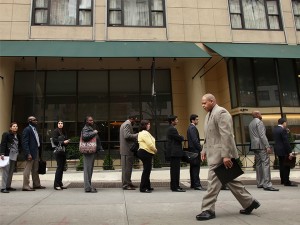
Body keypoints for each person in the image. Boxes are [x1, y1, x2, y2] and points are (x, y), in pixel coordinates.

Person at [196, 94, 260, 221]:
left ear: (212, 101)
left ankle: (207, 209)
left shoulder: (221, 113)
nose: (203, 105)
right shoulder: (209, 115)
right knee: (230, 180)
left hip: (220, 155)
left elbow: (227, 135)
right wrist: (204, 149)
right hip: (214, 153)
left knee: (212, 183)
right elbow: (209, 136)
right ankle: (250, 202)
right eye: (202, 103)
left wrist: (226, 156)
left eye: (205, 103)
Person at [249, 111, 279, 191]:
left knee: (258, 164)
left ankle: (260, 183)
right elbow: (262, 135)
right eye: (260, 114)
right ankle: (267, 184)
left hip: (254, 146)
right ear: (258, 115)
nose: (261, 115)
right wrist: (267, 146)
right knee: (266, 163)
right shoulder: (259, 122)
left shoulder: (251, 123)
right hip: (261, 145)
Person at [22, 116, 45, 191]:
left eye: (36, 120)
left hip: (36, 151)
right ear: (29, 121)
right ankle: (25, 186)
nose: (36, 121)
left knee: (35, 169)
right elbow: (25, 143)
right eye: (34, 120)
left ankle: (36, 184)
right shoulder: (27, 130)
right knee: (27, 169)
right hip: (30, 153)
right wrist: (28, 153)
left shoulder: (35, 129)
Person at [273, 118, 298, 187]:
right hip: (284, 150)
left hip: (278, 150)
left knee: (281, 165)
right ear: (283, 123)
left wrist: (286, 132)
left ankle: (283, 180)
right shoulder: (283, 130)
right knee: (286, 166)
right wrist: (290, 152)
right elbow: (286, 142)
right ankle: (287, 182)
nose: (286, 124)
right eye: (285, 123)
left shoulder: (275, 129)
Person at [81, 116, 102, 193]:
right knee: (87, 170)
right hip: (88, 151)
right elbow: (85, 137)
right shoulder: (85, 128)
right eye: (90, 120)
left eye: (92, 120)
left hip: (91, 151)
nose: (92, 121)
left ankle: (88, 186)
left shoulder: (89, 127)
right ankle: (87, 187)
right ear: (86, 121)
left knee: (89, 170)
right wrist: (94, 132)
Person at [1, 122, 22, 193]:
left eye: (16, 126)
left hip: (14, 155)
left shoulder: (18, 135)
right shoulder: (6, 134)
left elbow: (20, 145)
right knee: (6, 171)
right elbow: (3, 144)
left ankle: (8, 186)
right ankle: (3, 187)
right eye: (14, 126)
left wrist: (19, 150)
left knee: (11, 171)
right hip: (7, 154)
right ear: (10, 127)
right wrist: (2, 153)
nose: (15, 127)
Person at [137, 120, 157, 193]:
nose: (149, 125)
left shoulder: (144, 133)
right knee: (146, 171)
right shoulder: (144, 133)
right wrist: (155, 150)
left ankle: (147, 186)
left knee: (147, 170)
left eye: (149, 124)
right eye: (147, 124)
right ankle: (143, 188)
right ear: (144, 125)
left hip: (145, 152)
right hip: (145, 152)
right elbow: (150, 144)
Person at [166, 115, 185, 192]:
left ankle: (176, 186)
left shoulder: (171, 129)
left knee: (175, 170)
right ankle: (175, 187)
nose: (177, 121)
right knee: (175, 170)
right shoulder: (172, 129)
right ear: (172, 121)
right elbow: (180, 138)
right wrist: (181, 137)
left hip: (174, 153)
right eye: (176, 120)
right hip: (174, 153)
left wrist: (180, 136)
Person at [187, 114, 205, 191]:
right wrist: (201, 149)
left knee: (193, 167)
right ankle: (197, 185)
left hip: (192, 150)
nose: (198, 121)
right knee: (195, 168)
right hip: (194, 151)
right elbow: (195, 140)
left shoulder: (190, 128)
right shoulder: (192, 128)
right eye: (196, 119)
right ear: (192, 120)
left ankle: (193, 184)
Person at [120, 115, 138, 190]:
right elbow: (126, 136)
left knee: (128, 169)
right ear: (132, 119)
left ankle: (128, 183)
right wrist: (137, 135)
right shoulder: (127, 124)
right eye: (135, 120)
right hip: (127, 150)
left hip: (126, 150)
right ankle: (126, 185)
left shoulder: (125, 124)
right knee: (127, 169)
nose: (135, 122)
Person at [52, 120, 70, 190]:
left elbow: (66, 139)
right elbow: (55, 141)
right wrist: (63, 142)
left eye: (61, 123)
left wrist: (67, 141)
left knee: (62, 168)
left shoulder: (64, 131)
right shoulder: (56, 131)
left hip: (63, 151)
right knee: (59, 167)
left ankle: (60, 183)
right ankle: (56, 184)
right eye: (59, 123)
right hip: (58, 152)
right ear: (57, 124)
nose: (60, 124)